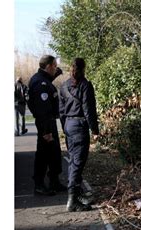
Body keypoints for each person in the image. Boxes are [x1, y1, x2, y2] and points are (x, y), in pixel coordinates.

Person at [59, 58, 99, 212]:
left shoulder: (64, 86)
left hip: (69, 125)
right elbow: (89, 110)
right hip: (80, 126)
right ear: (84, 68)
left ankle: (76, 193)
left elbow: (61, 111)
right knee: (77, 162)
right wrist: (94, 129)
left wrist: (65, 127)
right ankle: (72, 200)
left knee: (73, 161)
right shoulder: (85, 86)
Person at [27, 55, 66, 196]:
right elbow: (43, 110)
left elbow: (49, 80)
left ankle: (54, 181)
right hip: (46, 124)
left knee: (54, 153)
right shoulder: (40, 84)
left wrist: (57, 73)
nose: (56, 68)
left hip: (49, 123)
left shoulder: (43, 79)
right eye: (54, 66)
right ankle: (39, 184)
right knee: (43, 155)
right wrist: (46, 131)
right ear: (48, 66)